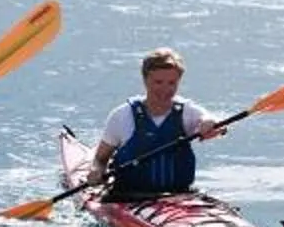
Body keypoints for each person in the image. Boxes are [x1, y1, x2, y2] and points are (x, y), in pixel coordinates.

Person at [88, 47, 229, 201]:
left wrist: (211, 125)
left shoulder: (186, 111)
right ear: (145, 80)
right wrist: (96, 170)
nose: (165, 89)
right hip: (128, 197)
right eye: (158, 82)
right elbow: (101, 159)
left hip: (179, 197)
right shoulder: (122, 116)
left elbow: (212, 121)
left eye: (172, 83)